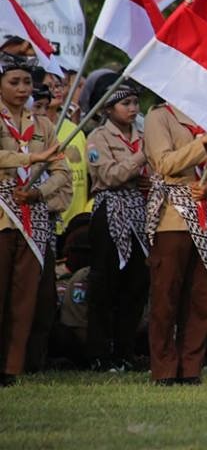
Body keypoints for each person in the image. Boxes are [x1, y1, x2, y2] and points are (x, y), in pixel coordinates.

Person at [143, 102, 207, 385]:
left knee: (201, 298)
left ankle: (191, 366)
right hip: (172, 217)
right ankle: (165, 368)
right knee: (166, 296)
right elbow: (164, 163)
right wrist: (201, 143)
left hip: (205, 216)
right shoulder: (160, 117)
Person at [0, 53, 69, 387]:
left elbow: (61, 171)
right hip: (2, 215)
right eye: (14, 81)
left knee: (25, 295)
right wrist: (31, 157)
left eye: (27, 82)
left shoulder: (42, 125)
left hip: (32, 219)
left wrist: (40, 193)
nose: (22, 88)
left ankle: (13, 368)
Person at [84, 75, 150, 372]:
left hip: (141, 212)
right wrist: (140, 158)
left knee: (136, 284)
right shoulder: (98, 138)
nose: (133, 109)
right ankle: (99, 352)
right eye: (125, 103)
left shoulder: (144, 134)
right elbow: (109, 176)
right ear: (108, 108)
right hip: (110, 212)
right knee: (105, 283)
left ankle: (126, 350)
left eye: (135, 102)